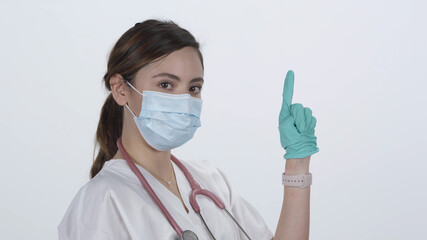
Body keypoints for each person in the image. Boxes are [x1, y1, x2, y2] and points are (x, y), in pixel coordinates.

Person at [57, 19, 319, 240]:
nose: (183, 100)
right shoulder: (101, 203)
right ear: (121, 89)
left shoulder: (211, 181)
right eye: (166, 85)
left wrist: (297, 164)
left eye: (193, 88)